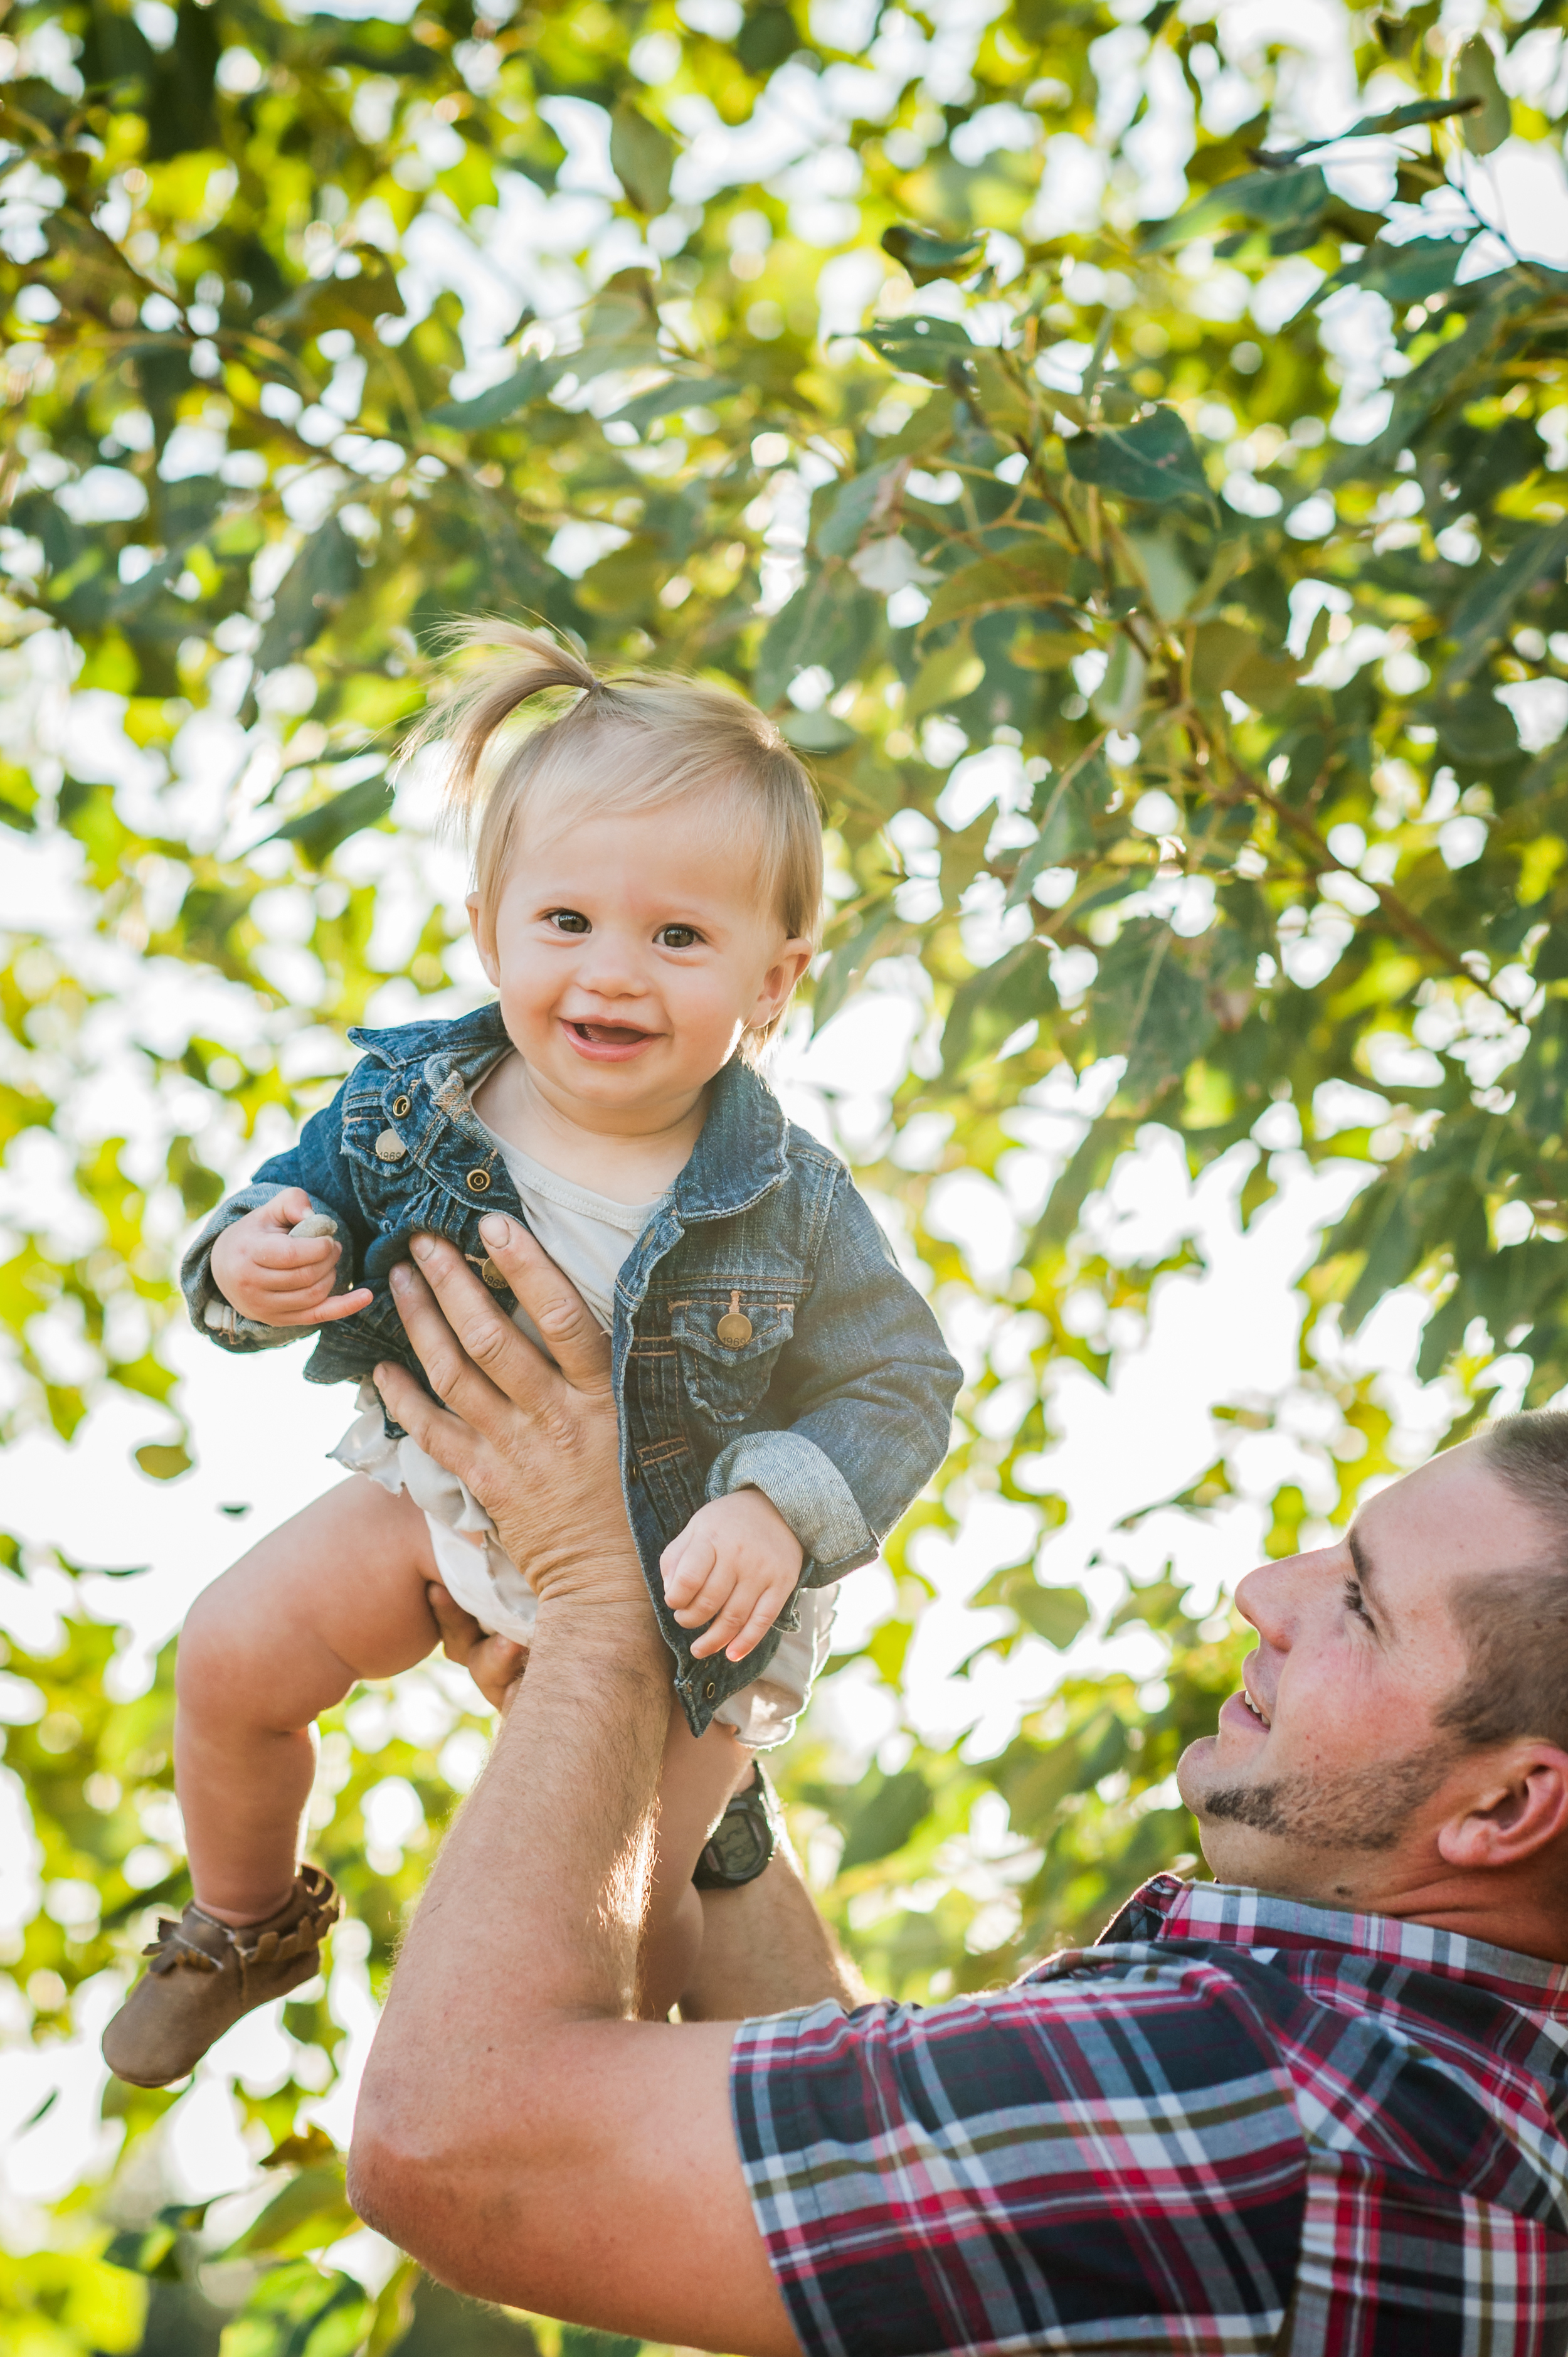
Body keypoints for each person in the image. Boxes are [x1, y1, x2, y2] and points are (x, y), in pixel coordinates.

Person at [348, 1221, 1568, 2356]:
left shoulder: (1261, 2113)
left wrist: (599, 1603)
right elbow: (882, 2191)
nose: (1263, 1590)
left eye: (1358, 1602)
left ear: (1504, 1808)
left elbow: (455, 2144)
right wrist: (691, 1761)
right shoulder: (1457, 2100)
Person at [101, 628, 960, 2090]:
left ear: (775, 977)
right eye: (565, 920)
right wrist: (251, 1259)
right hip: (434, 1494)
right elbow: (279, 1211)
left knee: (623, 1910)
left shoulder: (791, 1197)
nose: (611, 973)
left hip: (687, 1608)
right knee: (230, 1647)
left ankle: (646, 2074)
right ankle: (245, 1921)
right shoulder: (407, 1104)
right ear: (489, 926)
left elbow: (899, 1382)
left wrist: (774, 1503)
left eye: (678, 938)